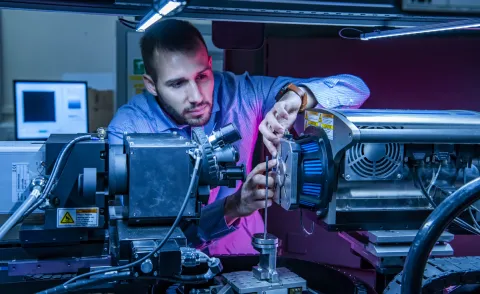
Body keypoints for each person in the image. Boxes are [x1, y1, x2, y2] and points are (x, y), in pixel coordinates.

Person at [108, 19, 370, 255]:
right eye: (177, 84)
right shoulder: (129, 128)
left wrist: (296, 98)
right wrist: (233, 205)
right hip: (170, 264)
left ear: (211, 65)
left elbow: (355, 88)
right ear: (151, 84)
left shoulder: (242, 93)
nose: (197, 96)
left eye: (202, 77)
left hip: (242, 259)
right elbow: (140, 238)